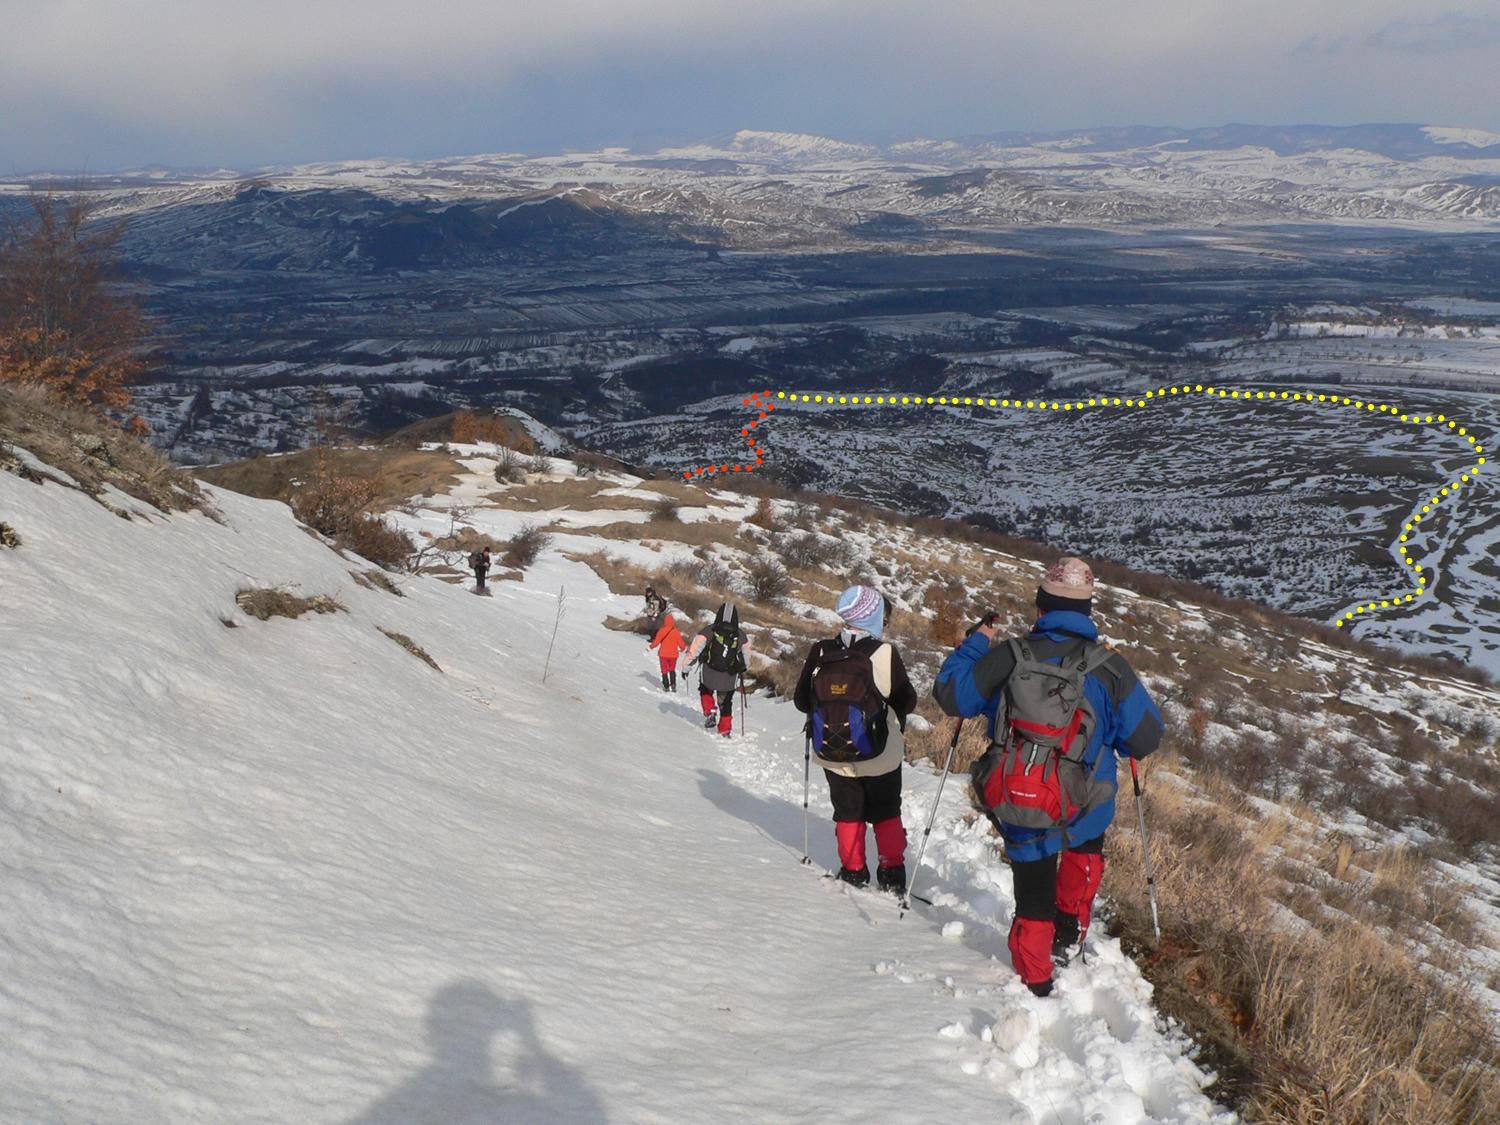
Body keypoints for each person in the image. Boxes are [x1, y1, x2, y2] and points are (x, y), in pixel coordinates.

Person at [934, 557, 1162, 997]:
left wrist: (976, 643)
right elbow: (1145, 738)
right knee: (1083, 850)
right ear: (1088, 612)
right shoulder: (1111, 669)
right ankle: (1069, 935)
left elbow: (951, 695)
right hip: (1085, 801)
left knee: (1032, 888)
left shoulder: (1010, 656)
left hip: (1022, 796)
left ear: (1041, 608)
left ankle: (1035, 979)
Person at [794, 585, 917, 892]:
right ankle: (892, 874)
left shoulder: (821, 651)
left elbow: (801, 701)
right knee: (887, 811)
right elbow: (907, 701)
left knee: (848, 813)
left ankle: (853, 872)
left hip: (832, 750)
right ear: (873, 616)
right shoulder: (884, 653)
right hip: (881, 753)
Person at [684, 602, 750, 736]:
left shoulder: (709, 631)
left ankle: (710, 711)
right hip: (729, 676)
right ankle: (725, 730)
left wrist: (686, 667)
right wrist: (743, 669)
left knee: (705, 690)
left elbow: (694, 651)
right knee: (726, 702)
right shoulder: (741, 636)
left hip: (709, 671)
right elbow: (746, 658)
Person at [649, 612, 687, 692]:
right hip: (673, 655)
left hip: (663, 654)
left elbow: (656, 642)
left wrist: (651, 646)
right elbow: (681, 644)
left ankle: (666, 686)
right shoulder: (676, 632)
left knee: (664, 670)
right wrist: (683, 648)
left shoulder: (661, 631)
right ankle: (673, 684)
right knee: (672, 669)